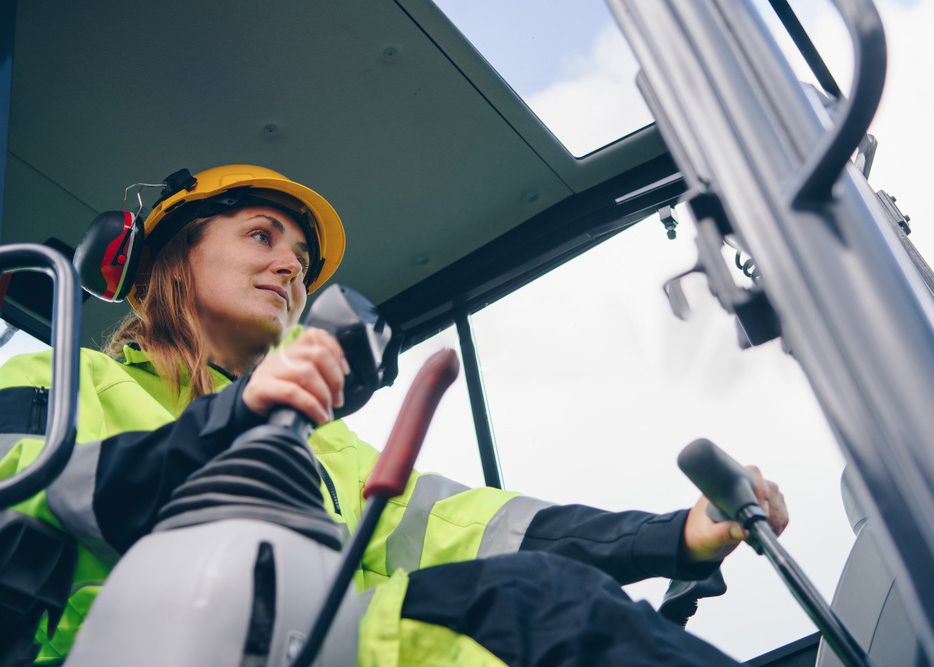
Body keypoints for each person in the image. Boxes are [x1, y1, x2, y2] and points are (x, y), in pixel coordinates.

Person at [0, 164, 788, 666]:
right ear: (171, 255)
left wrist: (667, 536)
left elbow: (475, 527)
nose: (289, 267)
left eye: (301, 264)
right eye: (261, 235)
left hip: (302, 641)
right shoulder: (61, 378)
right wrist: (236, 418)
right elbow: (41, 496)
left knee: (550, 608)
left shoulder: (321, 446)